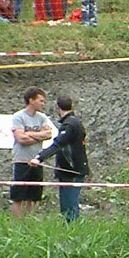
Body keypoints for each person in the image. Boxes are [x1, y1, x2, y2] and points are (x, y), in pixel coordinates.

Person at [38, 94, 89, 222]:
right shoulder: (74, 122)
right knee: (68, 205)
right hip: (72, 169)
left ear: (57, 107)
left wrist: (39, 158)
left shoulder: (69, 125)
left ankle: (72, 230)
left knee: (69, 206)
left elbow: (58, 144)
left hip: (71, 170)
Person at [8, 87, 57, 218]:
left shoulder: (42, 118)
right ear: (31, 100)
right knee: (18, 196)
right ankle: (17, 223)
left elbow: (48, 134)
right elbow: (21, 138)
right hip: (22, 160)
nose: (43, 104)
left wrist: (30, 134)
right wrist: (37, 135)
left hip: (37, 160)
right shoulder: (18, 117)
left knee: (34, 196)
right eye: (41, 101)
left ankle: (29, 221)